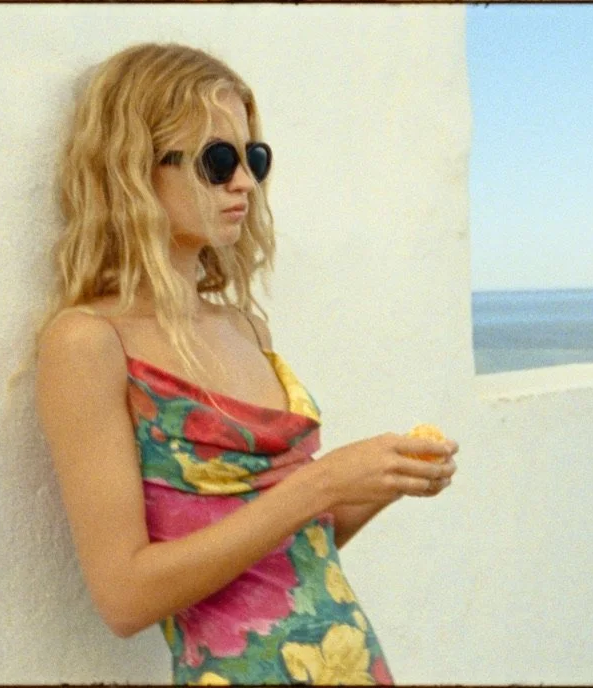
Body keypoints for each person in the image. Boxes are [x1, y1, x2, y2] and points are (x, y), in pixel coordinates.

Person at [34, 42, 458, 685]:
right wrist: (322, 483)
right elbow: (124, 597)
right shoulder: (89, 343)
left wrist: (381, 481)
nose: (245, 183)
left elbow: (284, 554)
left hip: (350, 665)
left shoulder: (243, 327)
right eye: (218, 160)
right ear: (134, 168)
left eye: (253, 159)